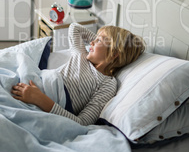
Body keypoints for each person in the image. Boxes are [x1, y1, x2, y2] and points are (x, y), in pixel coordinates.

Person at [11, 23, 145, 126]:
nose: (91, 42)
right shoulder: (81, 55)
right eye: (95, 39)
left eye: (98, 40)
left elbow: (82, 122)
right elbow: (75, 28)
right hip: (39, 80)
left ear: (114, 54)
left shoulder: (108, 84)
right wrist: (100, 41)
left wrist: (39, 98)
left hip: (47, 99)